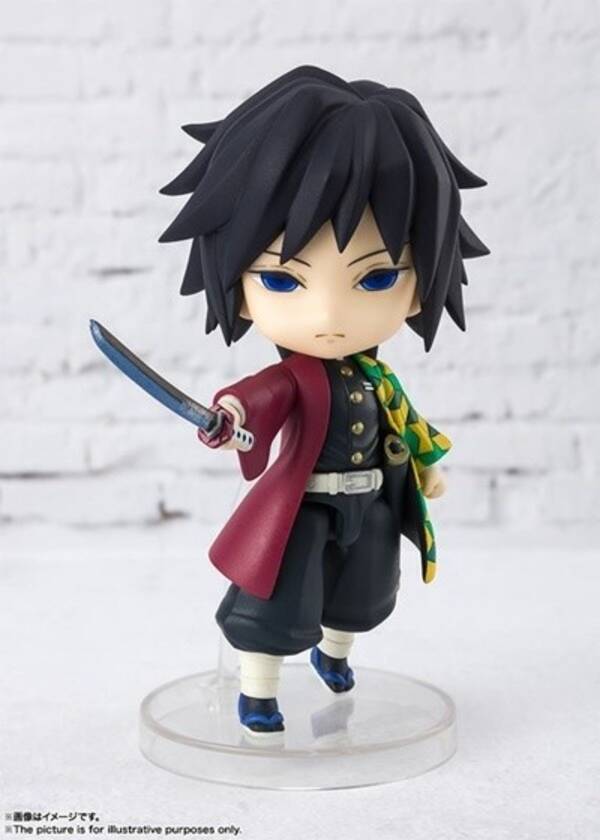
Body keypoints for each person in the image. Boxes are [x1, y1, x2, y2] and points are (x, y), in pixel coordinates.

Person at [159, 65, 488, 735]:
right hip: (304, 507)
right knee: (276, 599)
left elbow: (404, 423)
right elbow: (255, 398)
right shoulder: (295, 378)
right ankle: (259, 691)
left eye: (378, 278)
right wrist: (230, 418)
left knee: (363, 591)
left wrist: (422, 466)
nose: (330, 316)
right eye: (283, 280)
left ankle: (335, 655)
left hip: (371, 500)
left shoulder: (378, 379)